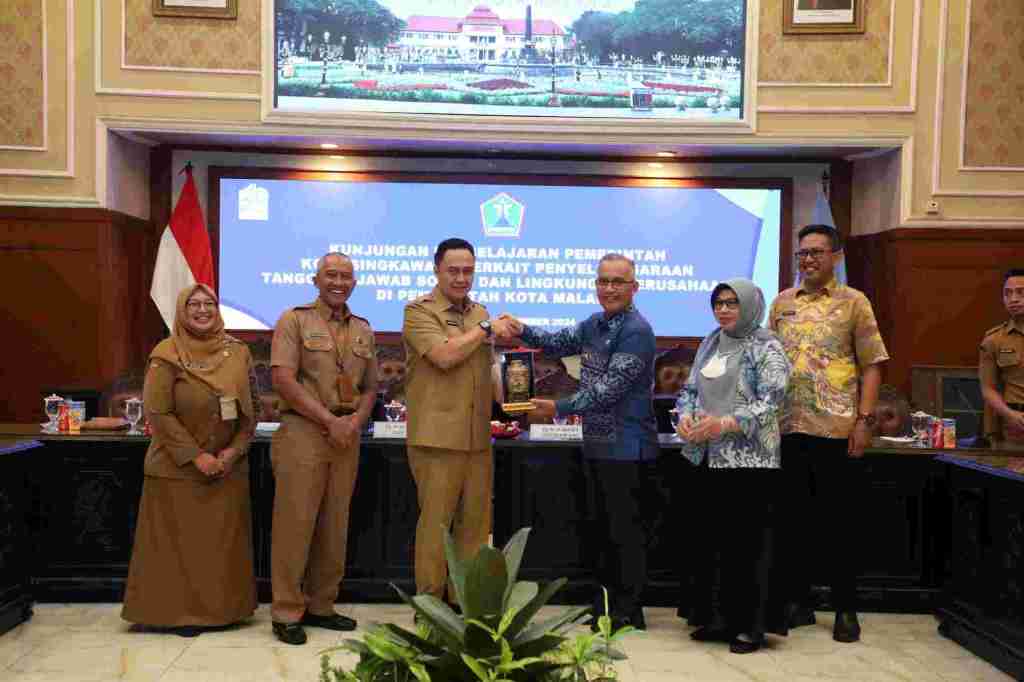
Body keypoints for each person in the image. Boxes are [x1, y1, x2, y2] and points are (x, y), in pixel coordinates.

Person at [500, 253, 659, 630]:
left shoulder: (636, 330)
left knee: (624, 532)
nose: (609, 288)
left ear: (634, 287)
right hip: (597, 445)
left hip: (628, 448)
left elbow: (609, 390)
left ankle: (627, 609)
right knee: (601, 530)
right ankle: (605, 603)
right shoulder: (594, 324)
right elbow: (555, 342)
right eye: (603, 281)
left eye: (618, 282)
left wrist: (556, 406)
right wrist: (519, 327)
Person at [768, 224, 889, 644]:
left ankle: (845, 609)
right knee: (790, 522)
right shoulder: (782, 303)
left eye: (817, 252)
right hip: (786, 427)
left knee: (839, 525)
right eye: (802, 253)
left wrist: (865, 419)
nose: (808, 260)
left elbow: (872, 362)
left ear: (835, 256)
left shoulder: (855, 303)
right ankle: (796, 602)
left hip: (837, 429)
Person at [122, 284, 257, 637]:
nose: (202, 310)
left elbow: (250, 413)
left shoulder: (238, 352)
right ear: (182, 311)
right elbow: (159, 413)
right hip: (176, 468)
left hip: (226, 469)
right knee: (179, 551)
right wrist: (196, 457)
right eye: (193, 304)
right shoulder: (166, 353)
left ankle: (223, 612)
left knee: (219, 549)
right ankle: (178, 616)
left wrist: (231, 452)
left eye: (208, 303)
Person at [674, 279, 791, 654]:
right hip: (708, 456)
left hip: (750, 462)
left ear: (750, 305)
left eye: (731, 303)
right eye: (718, 303)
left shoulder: (766, 344)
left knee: (748, 546)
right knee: (714, 542)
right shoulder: (711, 341)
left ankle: (750, 627)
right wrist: (686, 417)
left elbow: (772, 400)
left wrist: (724, 423)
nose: (723, 309)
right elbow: (690, 390)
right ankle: (718, 618)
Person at [268, 252, 377, 645]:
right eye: (330, 274)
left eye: (346, 276)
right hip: (305, 431)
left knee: (335, 525)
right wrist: (329, 421)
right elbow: (283, 378)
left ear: (354, 283)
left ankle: (321, 605)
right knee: (295, 524)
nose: (338, 281)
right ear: (316, 280)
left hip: (346, 435)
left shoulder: (364, 329)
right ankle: (286, 610)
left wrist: (353, 422)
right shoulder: (294, 320)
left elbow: (370, 388)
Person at [402, 238, 518, 604]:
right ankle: (430, 607)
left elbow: (488, 368)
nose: (461, 277)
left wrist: (518, 397)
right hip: (437, 437)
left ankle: (464, 604)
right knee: (437, 529)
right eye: (453, 270)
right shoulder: (418, 312)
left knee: (475, 528)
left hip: (477, 436)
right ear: (436, 269)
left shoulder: (478, 312)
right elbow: (444, 355)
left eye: (468, 270)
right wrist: (486, 329)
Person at [980, 269, 1024, 447]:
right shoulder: (994, 340)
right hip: (1014, 427)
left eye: (1021, 292)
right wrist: (1010, 415)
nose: (1013, 299)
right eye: (1008, 293)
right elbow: (988, 389)